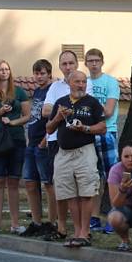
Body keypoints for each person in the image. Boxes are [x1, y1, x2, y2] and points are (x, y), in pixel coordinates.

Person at [45, 70, 106, 248]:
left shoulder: (92, 102)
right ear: (69, 83)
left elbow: (102, 127)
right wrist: (57, 117)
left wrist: (85, 128)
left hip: (84, 151)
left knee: (86, 192)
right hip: (63, 153)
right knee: (70, 193)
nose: (81, 85)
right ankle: (77, 230)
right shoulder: (60, 102)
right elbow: (49, 129)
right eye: (77, 82)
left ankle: (85, 233)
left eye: (83, 82)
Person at [0, 60, 30, 235]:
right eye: (1, 70)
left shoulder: (19, 92)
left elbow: (27, 115)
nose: (4, 72)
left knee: (14, 182)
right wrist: (1, 111)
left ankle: (15, 224)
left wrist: (13, 121)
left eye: (7, 69)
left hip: (16, 139)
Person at [41, 50, 79, 240]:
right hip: (56, 140)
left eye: (71, 63)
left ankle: (81, 229)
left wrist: (61, 111)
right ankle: (61, 227)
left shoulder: (83, 84)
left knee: (80, 185)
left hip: (79, 141)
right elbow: (45, 111)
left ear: (77, 64)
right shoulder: (55, 86)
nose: (68, 67)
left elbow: (86, 110)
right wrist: (65, 110)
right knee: (60, 184)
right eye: (64, 64)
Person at [84, 48, 120, 233]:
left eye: (97, 60)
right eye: (90, 60)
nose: (94, 63)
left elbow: (108, 111)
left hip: (107, 131)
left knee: (111, 177)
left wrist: (88, 113)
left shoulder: (110, 82)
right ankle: (94, 217)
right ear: (86, 63)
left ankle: (114, 217)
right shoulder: (85, 82)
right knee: (94, 178)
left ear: (102, 62)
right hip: (89, 133)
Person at [21, 59, 56, 236]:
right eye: (37, 73)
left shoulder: (52, 90)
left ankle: (52, 222)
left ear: (49, 74)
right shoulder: (37, 91)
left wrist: (45, 140)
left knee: (48, 183)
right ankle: (36, 221)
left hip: (44, 142)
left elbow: (52, 118)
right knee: (30, 182)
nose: (39, 76)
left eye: (42, 73)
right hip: (32, 141)